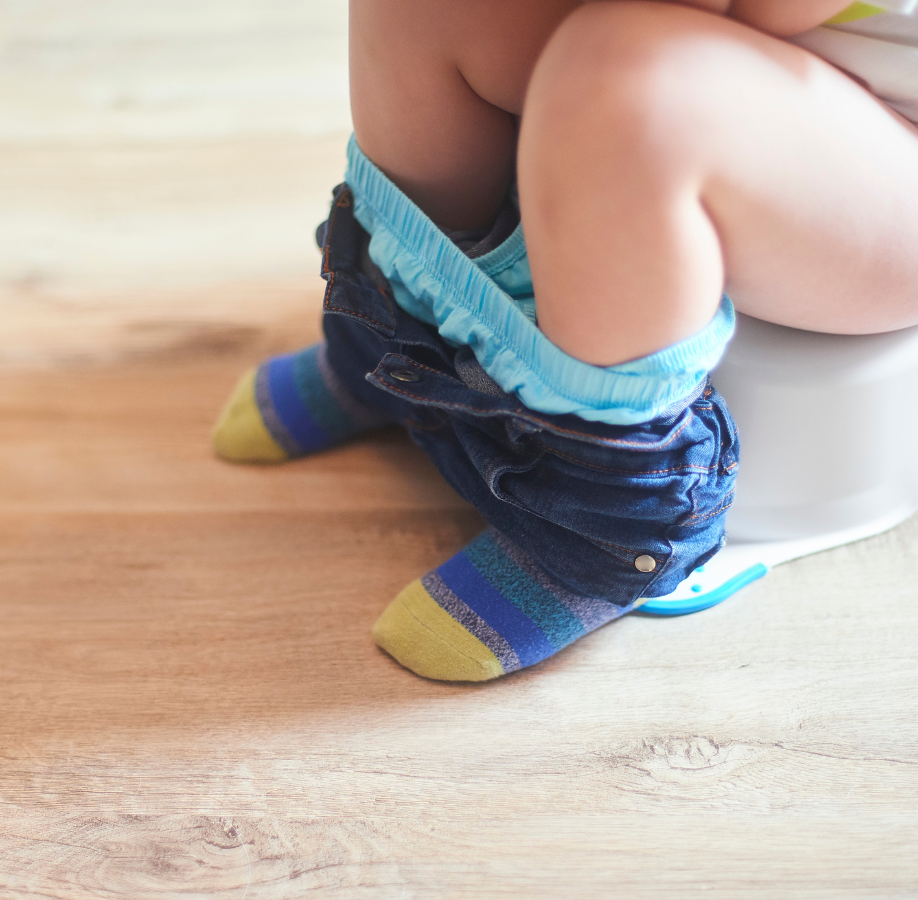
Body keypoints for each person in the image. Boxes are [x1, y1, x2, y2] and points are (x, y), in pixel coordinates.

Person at [212, 0, 918, 681]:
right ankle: (396, 353)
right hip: (780, 71)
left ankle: (600, 534)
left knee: (630, 81)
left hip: (892, 140)